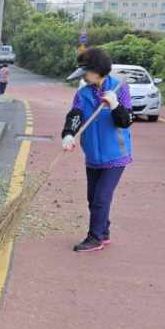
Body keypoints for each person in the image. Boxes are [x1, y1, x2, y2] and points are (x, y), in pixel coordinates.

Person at [61, 47, 133, 253]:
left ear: (98, 70)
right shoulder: (83, 93)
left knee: (101, 197)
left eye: (87, 71)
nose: (84, 75)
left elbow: (126, 121)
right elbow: (75, 115)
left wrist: (115, 104)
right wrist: (67, 134)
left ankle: (95, 238)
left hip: (116, 155)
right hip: (92, 155)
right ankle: (104, 230)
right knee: (93, 198)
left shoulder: (120, 88)